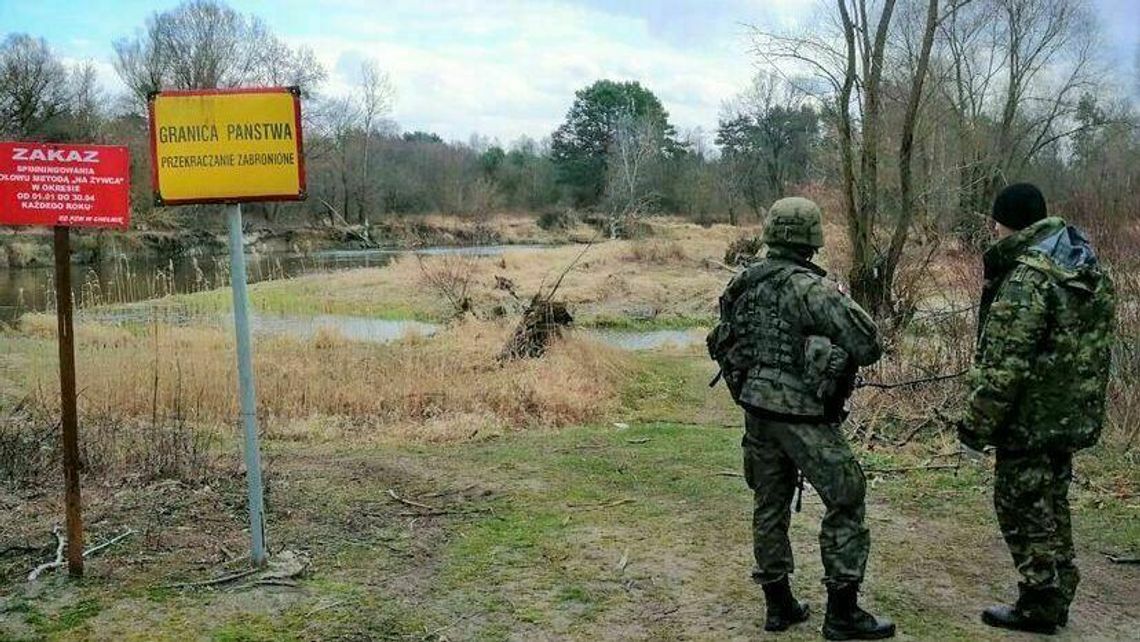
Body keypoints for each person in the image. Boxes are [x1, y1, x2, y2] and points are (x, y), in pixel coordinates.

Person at [708, 196, 895, 640]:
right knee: (847, 496)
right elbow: (869, 343)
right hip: (802, 415)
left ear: (771, 233)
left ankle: (779, 606)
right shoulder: (810, 289)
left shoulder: (744, 283)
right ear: (812, 239)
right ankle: (843, 614)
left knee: (769, 504)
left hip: (756, 409)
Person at [958, 183, 1115, 635]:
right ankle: (1058, 587)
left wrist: (975, 426)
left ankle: (1040, 600)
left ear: (1003, 223)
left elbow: (1005, 365)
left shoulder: (1029, 277)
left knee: (1021, 507)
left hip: (1028, 422)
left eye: (994, 221)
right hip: (1068, 418)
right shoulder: (1084, 266)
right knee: (1051, 503)